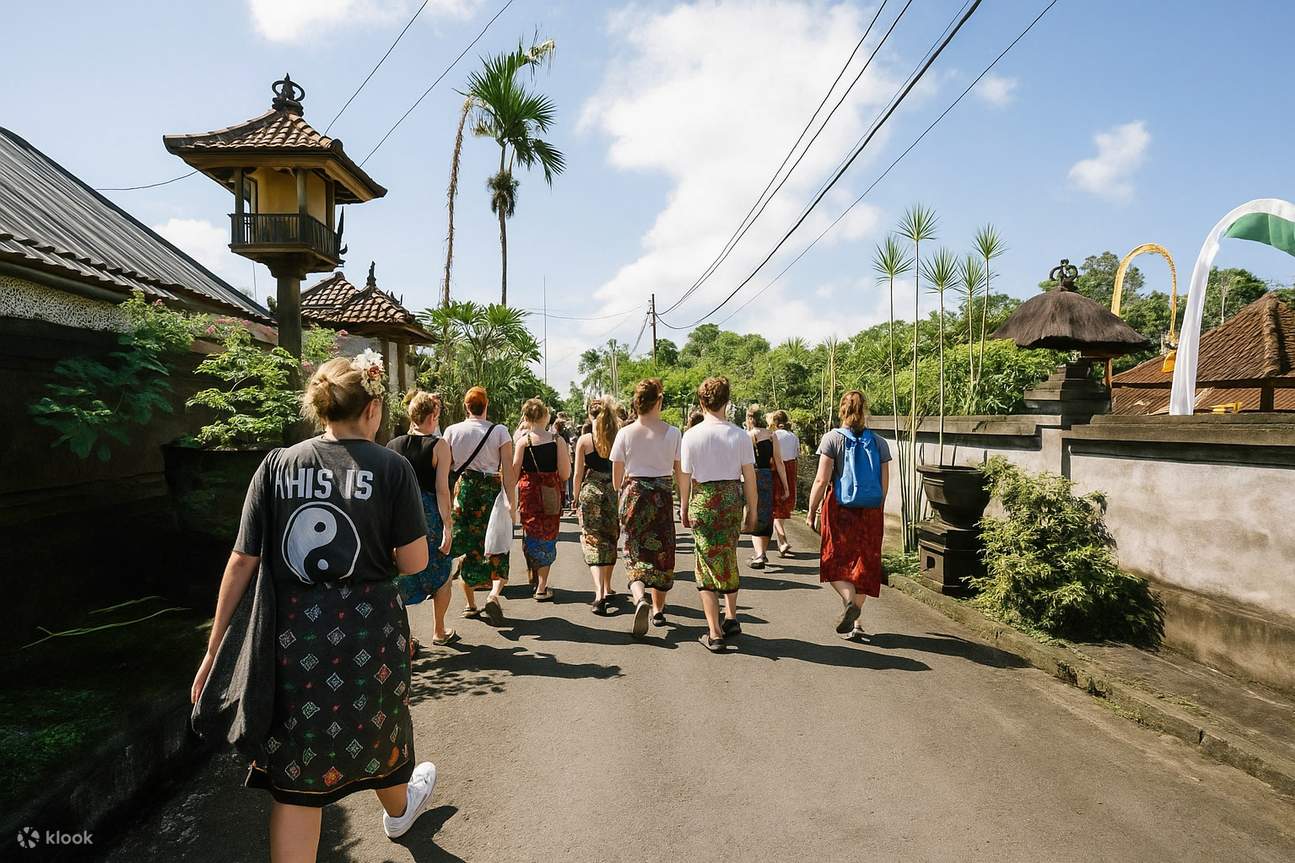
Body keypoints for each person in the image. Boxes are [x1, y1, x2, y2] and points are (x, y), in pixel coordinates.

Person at [191, 352, 437, 861]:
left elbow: (241, 561)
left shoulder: (277, 465)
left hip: (292, 639)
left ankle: (401, 806)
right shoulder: (390, 467)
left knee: (299, 780)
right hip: (369, 635)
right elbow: (414, 562)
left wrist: (213, 650)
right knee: (379, 728)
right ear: (372, 408)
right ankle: (399, 808)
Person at [680, 376, 757, 652]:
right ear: (727, 401)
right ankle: (731, 617)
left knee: (705, 561)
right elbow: (749, 478)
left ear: (702, 402)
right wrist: (753, 510)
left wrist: (684, 505)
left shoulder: (691, 436)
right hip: (730, 500)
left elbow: (685, 476)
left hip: (702, 499)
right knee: (728, 553)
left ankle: (714, 632)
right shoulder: (740, 435)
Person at [805, 390, 891, 639]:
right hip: (871, 511)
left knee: (833, 561)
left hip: (840, 509)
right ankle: (857, 622)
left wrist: (812, 511)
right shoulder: (879, 442)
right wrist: (876, 508)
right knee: (864, 564)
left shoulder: (832, 439)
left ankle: (849, 602)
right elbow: (884, 484)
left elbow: (821, 480)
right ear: (865, 411)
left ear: (841, 410)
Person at [610, 378, 682, 637]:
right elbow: (680, 472)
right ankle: (658, 610)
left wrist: (622, 493)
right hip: (662, 496)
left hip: (634, 494)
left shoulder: (625, 433)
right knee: (662, 552)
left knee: (633, 549)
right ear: (659, 401)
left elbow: (617, 478)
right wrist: (684, 502)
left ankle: (640, 596)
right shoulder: (673, 433)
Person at [386, 391, 457, 647]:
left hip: (401, 514)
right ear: (433, 416)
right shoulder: (439, 446)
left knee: (400, 575)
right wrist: (448, 526)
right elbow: (442, 489)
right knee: (442, 573)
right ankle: (439, 630)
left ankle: (405, 635)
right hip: (429, 516)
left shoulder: (392, 446)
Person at [444, 386, 516, 626]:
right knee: (497, 543)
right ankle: (494, 595)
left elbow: (447, 467)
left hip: (464, 490)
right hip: (491, 491)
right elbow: (508, 470)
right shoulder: (500, 432)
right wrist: (511, 502)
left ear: (466, 407)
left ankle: (471, 604)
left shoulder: (452, 431)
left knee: (469, 545)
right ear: (486, 405)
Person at [513, 398, 571, 601]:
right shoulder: (558, 441)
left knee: (531, 533)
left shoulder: (522, 442)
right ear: (546, 416)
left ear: (526, 418)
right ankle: (542, 586)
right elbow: (565, 473)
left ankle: (534, 576)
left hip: (529, 495)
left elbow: (514, 472)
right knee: (548, 535)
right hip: (550, 493)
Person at [572, 397, 621, 613]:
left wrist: (574, 496)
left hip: (590, 491)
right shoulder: (618, 436)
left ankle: (599, 592)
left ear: (589, 416)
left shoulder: (584, 440)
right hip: (611, 490)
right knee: (610, 538)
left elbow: (577, 474)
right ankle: (608, 586)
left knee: (592, 540)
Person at [744, 404, 787, 570]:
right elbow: (779, 462)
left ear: (750, 419)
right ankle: (762, 552)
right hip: (767, 477)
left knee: (755, 512)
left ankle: (759, 554)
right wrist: (786, 485)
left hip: (752, 477)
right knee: (767, 515)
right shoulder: (771, 435)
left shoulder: (748, 435)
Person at [768, 409, 800, 556]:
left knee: (775, 511)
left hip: (776, 469)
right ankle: (781, 542)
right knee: (782, 510)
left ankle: (783, 542)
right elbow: (796, 455)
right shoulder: (793, 436)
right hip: (790, 469)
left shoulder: (772, 436)